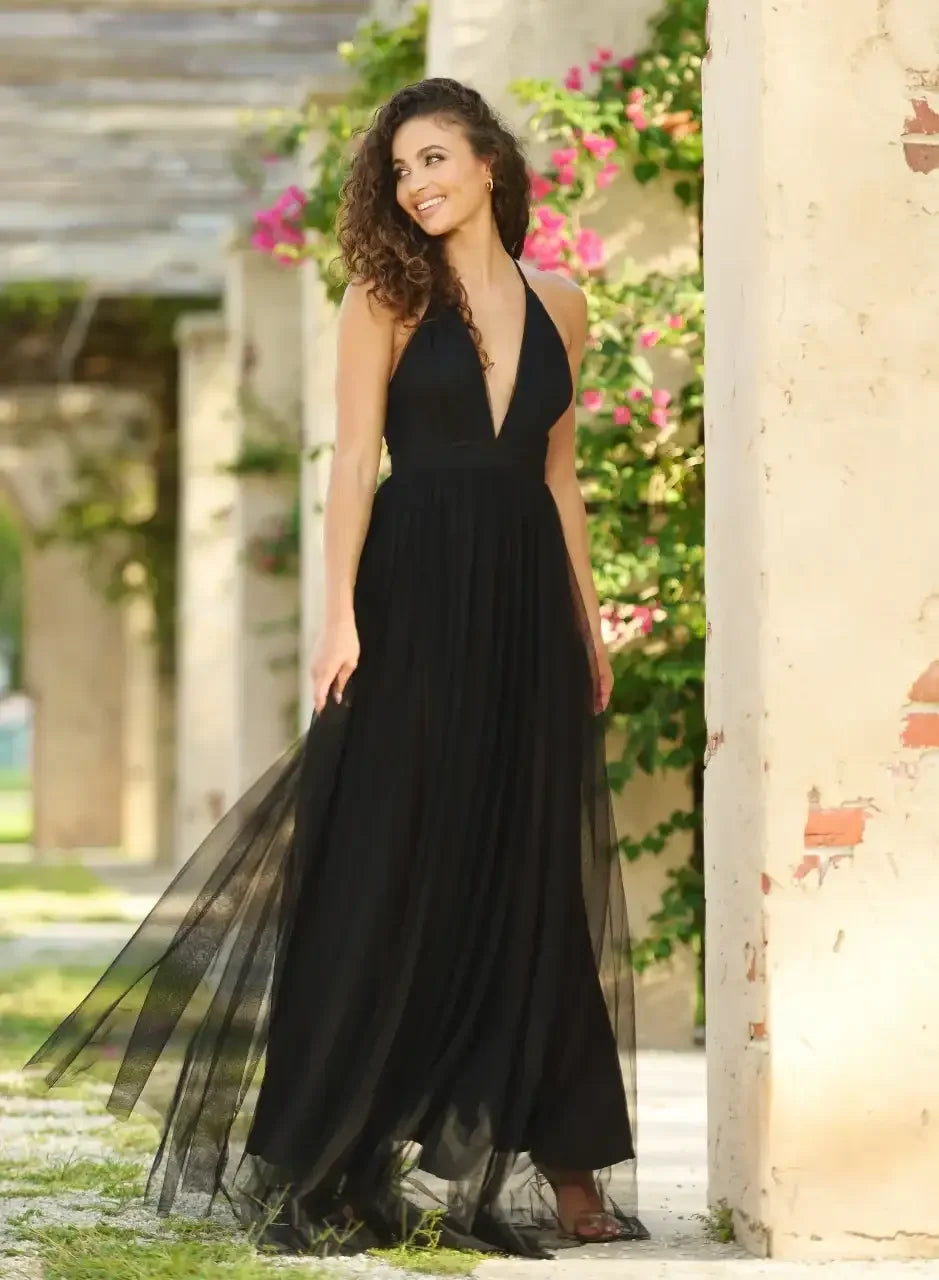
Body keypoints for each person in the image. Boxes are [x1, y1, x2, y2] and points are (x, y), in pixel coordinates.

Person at [23, 77, 648, 1259]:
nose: (416, 185)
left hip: (524, 602)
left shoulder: (562, 305)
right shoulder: (387, 295)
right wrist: (339, 619)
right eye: (400, 170)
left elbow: (558, 475)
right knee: (387, 851)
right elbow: (355, 460)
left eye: (433, 159)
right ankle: (331, 1143)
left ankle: (570, 1164)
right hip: (414, 592)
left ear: (490, 163)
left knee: (529, 862)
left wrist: (587, 617)